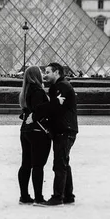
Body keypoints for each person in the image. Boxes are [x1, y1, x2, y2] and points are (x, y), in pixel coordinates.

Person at [27, 62, 78, 206]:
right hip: (64, 129)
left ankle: (58, 198)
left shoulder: (62, 87)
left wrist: (35, 115)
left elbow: (53, 108)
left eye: (48, 72)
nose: (45, 74)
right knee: (64, 163)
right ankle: (68, 196)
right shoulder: (57, 87)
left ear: (57, 72)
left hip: (64, 130)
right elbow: (53, 106)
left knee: (59, 165)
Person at [18, 66, 52, 205]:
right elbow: (39, 111)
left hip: (25, 130)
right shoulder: (37, 90)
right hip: (38, 131)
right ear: (37, 75)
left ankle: (24, 196)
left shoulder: (24, 91)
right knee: (38, 165)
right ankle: (38, 198)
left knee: (26, 164)